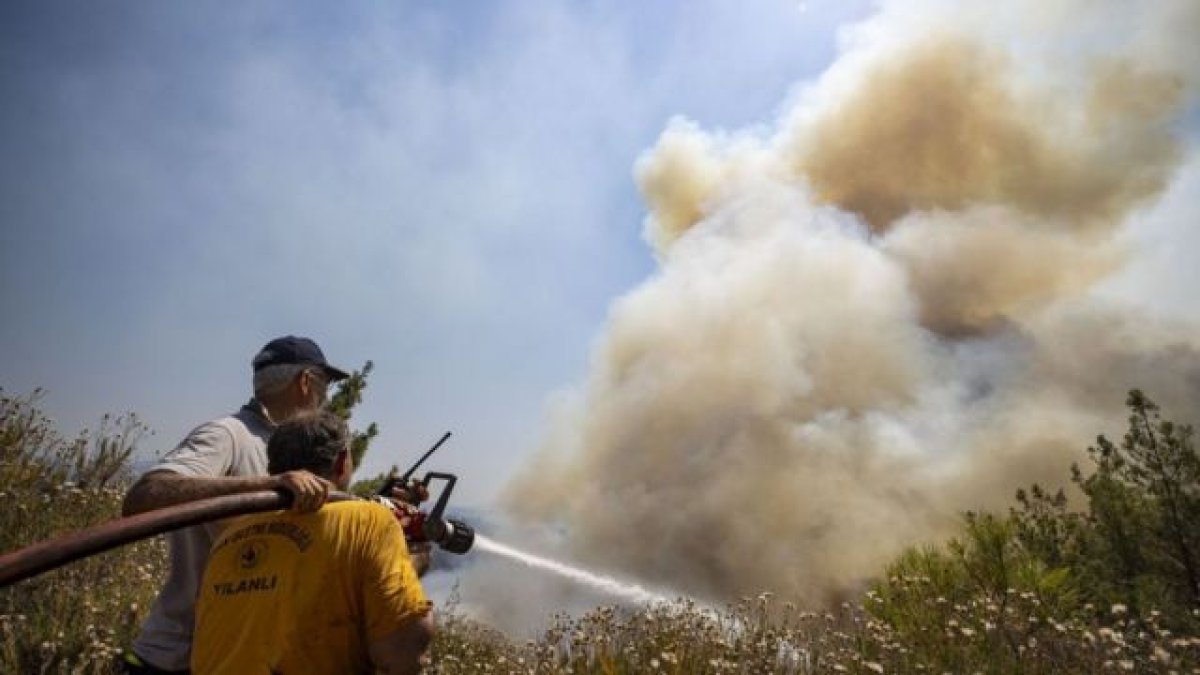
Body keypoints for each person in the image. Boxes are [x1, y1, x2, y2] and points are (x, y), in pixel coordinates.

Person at [121, 336, 350, 674]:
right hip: (178, 657)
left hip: (235, 655)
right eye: (325, 385)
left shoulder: (277, 444)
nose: (325, 398)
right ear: (306, 382)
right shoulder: (228, 434)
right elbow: (143, 496)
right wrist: (269, 484)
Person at [191, 409, 434, 675]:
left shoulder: (230, 536)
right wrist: (415, 555)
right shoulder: (369, 521)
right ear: (342, 462)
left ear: (272, 467)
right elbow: (405, 650)